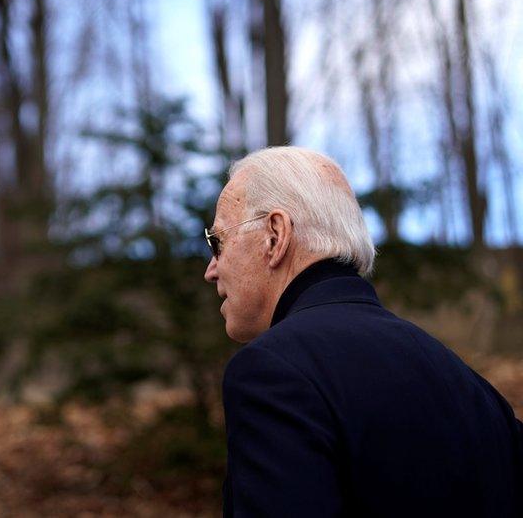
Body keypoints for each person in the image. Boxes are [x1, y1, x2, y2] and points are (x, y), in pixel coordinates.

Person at [203, 146, 523, 517]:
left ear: (275, 235)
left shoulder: (273, 373)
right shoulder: (465, 381)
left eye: (218, 242)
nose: (211, 269)